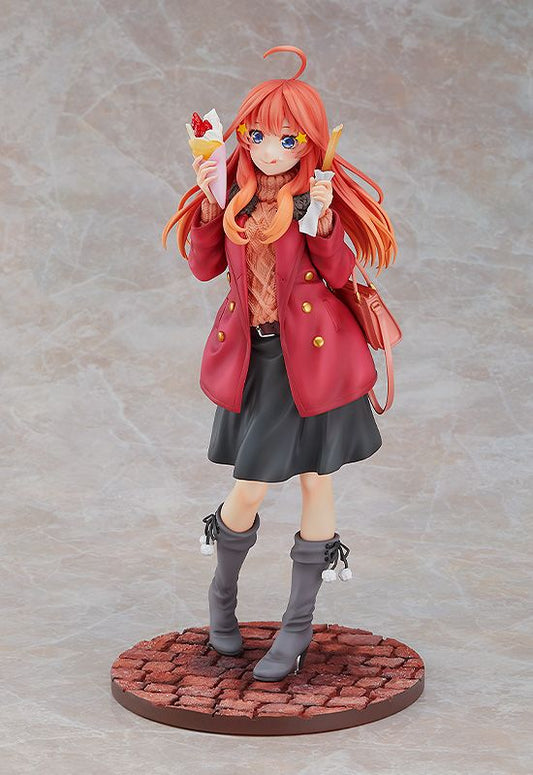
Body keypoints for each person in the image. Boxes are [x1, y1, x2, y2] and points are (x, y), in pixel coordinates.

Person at [162, 45, 397, 682]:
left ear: (310, 143)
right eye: (258, 136)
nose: (271, 151)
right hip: (258, 359)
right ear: (242, 135)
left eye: (288, 139)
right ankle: (222, 600)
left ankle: (297, 627)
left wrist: (325, 221)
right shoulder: (233, 198)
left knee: (317, 482)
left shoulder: (312, 200)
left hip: (317, 364)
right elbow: (204, 268)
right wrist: (208, 205)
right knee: (249, 486)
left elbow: (342, 274)